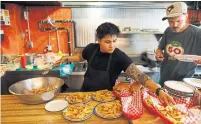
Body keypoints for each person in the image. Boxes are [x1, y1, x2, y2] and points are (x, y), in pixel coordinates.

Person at [57, 22, 175, 104]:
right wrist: (67, 58)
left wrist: (158, 90)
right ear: (98, 40)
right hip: (84, 94)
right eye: (107, 42)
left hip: (106, 98)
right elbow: (80, 57)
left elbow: (139, 75)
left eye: (114, 41)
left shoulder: (119, 56)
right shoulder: (90, 49)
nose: (112, 45)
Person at [155, 2, 201, 87]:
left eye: (178, 21)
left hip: (184, 84)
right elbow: (159, 48)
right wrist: (158, 53)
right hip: (164, 80)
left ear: (186, 16)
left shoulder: (197, 34)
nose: (175, 25)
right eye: (171, 22)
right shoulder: (168, 31)